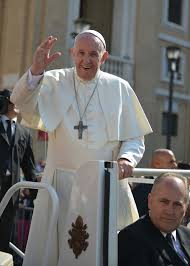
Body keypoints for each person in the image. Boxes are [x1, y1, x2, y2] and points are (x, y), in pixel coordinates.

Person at [11, 30, 152, 265]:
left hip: (104, 185)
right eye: (81, 53)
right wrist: (35, 71)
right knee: (53, 252)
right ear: (72, 54)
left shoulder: (120, 87)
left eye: (93, 54)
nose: (86, 60)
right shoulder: (53, 80)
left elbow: (135, 136)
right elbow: (20, 102)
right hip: (59, 186)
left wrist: (127, 159)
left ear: (104, 57)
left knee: (104, 252)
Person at [118, 172, 190, 266]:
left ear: (186, 208)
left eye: (177, 204)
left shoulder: (187, 234)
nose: (170, 211)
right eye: (164, 202)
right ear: (150, 201)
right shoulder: (131, 239)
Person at [0, 89, 36, 253]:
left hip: (11, 192)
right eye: (15, 101)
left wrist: (36, 196)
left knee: (5, 235)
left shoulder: (24, 133)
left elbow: (28, 167)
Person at [132, 148, 177, 216]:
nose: (175, 165)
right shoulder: (142, 190)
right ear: (157, 164)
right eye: (171, 162)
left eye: (175, 162)